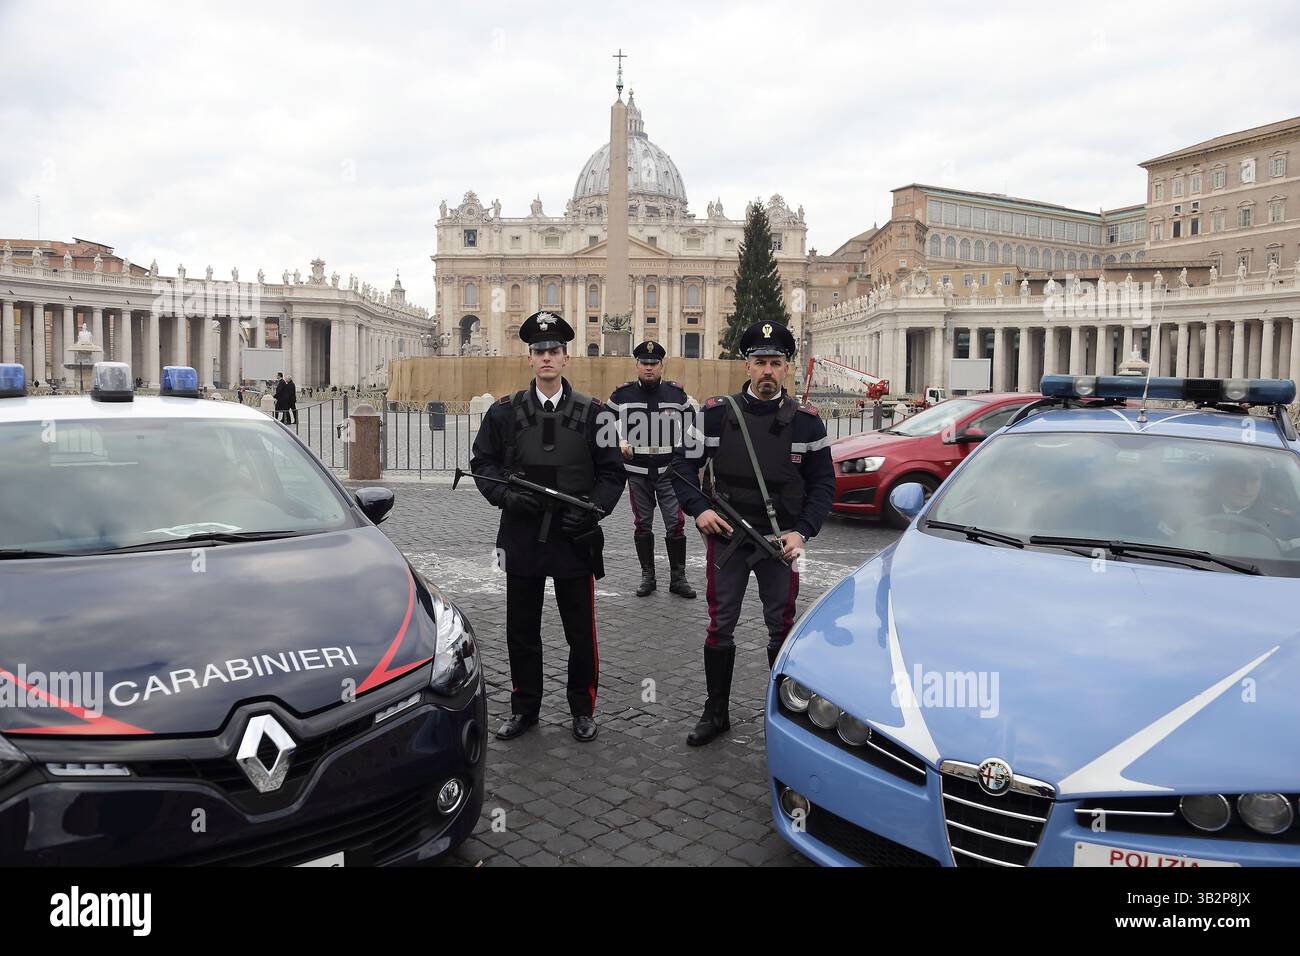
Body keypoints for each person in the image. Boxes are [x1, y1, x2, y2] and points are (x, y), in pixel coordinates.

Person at [671, 320, 836, 747]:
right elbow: (681, 469)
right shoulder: (714, 414)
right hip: (726, 539)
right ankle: (716, 711)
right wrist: (701, 509)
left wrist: (802, 532)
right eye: (759, 362)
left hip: (779, 544)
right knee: (719, 625)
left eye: (775, 363)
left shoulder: (807, 424)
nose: (767, 370)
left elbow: (823, 486)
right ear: (747, 365)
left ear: (787, 368)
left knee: (781, 627)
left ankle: (786, 713)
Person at [469, 311, 626, 742]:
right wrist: (504, 495)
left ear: (566, 358)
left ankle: (582, 708)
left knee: (580, 632)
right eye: (539, 351)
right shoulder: (503, 413)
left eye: (554, 351)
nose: (546, 358)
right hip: (522, 537)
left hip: (574, 538)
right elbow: (481, 464)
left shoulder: (596, 414)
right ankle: (525, 708)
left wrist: (593, 508)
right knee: (522, 630)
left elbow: (613, 473)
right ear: (530, 359)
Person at [608, 340, 697, 599]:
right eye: (644, 363)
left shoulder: (675, 394)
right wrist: (619, 441)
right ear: (636, 365)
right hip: (637, 472)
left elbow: (693, 426)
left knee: (675, 524)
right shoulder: (622, 395)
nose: (649, 368)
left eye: (653, 364)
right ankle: (648, 576)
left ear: (662, 366)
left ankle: (678, 578)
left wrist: (682, 452)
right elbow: (602, 423)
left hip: (669, 471)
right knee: (643, 524)